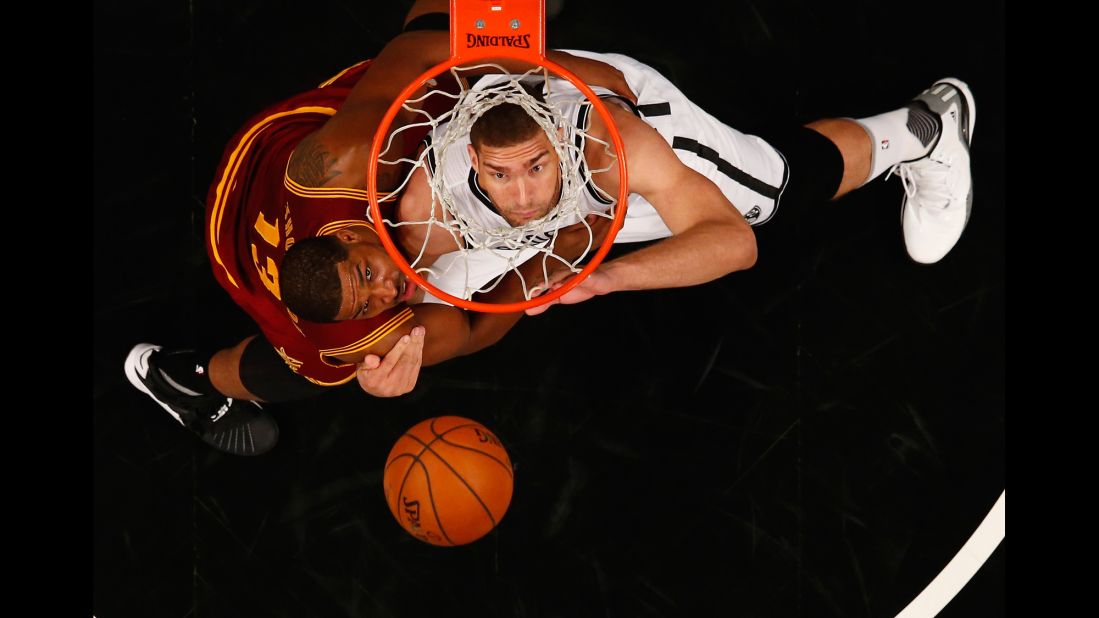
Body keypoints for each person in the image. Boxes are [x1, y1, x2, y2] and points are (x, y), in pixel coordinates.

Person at [123, 1, 631, 456]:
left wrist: (568, 67)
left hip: (261, 161)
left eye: (367, 273)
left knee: (448, 62)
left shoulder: (338, 165)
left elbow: (416, 52)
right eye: (369, 303)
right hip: (246, 267)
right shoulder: (356, 335)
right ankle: (183, 380)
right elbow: (472, 330)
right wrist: (561, 255)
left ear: (347, 235)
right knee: (320, 368)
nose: (389, 290)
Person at [390, 50, 975, 315]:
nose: (519, 197)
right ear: (470, 155)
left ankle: (929, 126)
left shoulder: (617, 151)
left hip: (634, 119)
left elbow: (733, 246)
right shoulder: (428, 186)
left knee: (773, 188)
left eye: (535, 168)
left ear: (554, 140)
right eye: (499, 174)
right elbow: (443, 294)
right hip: (559, 103)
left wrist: (606, 280)